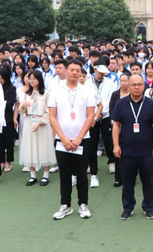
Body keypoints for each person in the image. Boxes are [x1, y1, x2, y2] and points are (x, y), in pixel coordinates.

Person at [49, 60, 96, 220]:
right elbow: (52, 116)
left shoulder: (87, 90)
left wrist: (79, 138)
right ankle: (65, 205)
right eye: (72, 70)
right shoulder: (55, 91)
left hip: (82, 139)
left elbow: (91, 115)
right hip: (61, 139)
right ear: (66, 71)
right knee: (64, 174)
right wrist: (62, 137)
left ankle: (83, 204)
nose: (75, 73)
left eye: (78, 70)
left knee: (82, 173)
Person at [112, 75, 153, 220]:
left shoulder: (151, 104)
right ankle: (128, 208)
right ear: (127, 85)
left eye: (139, 84)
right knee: (127, 181)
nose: (136, 87)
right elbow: (116, 125)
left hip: (147, 150)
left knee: (148, 181)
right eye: (133, 84)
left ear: (144, 86)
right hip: (126, 150)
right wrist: (116, 145)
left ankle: (148, 207)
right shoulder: (121, 104)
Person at [19, 70, 56, 186]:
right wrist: (23, 106)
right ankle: (32, 175)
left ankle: (45, 175)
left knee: (43, 147)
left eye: (34, 78)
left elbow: (48, 110)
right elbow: (22, 111)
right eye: (30, 79)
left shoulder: (45, 93)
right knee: (29, 146)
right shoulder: (26, 93)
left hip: (42, 122)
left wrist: (40, 122)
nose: (32, 81)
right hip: (29, 121)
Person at [86, 57, 119, 188]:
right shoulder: (87, 83)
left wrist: (101, 113)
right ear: (94, 70)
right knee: (91, 143)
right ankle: (93, 173)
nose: (102, 74)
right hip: (91, 117)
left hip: (106, 115)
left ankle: (112, 161)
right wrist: (94, 114)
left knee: (108, 140)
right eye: (100, 72)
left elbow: (110, 100)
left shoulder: (110, 83)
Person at [109, 73, 131, 187]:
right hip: (117, 126)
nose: (123, 83)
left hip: (130, 127)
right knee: (117, 151)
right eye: (121, 81)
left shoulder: (133, 94)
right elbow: (112, 110)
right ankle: (118, 178)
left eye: (125, 80)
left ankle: (130, 176)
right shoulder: (115, 95)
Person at [0, 66, 17, 172]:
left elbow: (10, 103)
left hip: (7, 117)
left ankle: (8, 162)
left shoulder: (11, 88)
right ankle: (1, 161)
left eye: (1, 78)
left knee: (9, 141)